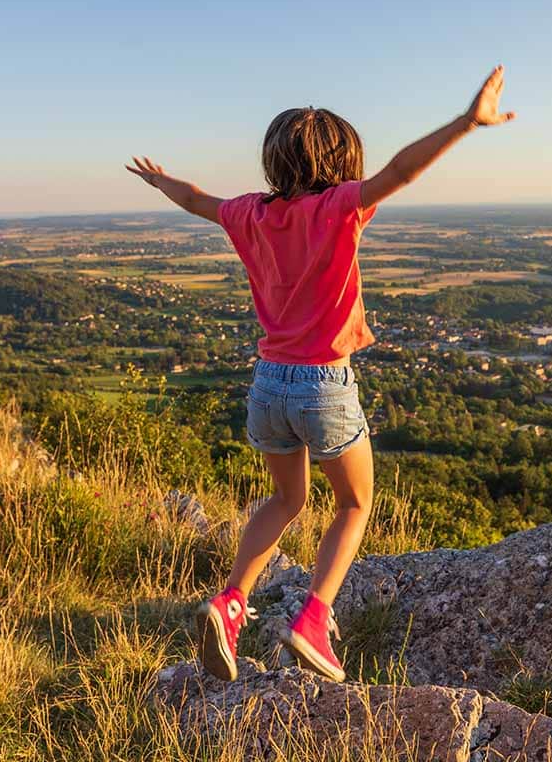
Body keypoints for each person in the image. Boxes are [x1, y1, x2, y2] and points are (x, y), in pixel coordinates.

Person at [126, 65, 515, 682]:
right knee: (355, 502)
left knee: (286, 498)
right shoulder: (337, 207)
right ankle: (313, 619)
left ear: (273, 162)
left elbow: (198, 200)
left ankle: (231, 602)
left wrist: (160, 180)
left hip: (268, 384)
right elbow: (401, 171)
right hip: (322, 386)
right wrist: (468, 122)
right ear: (342, 162)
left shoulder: (251, 214)